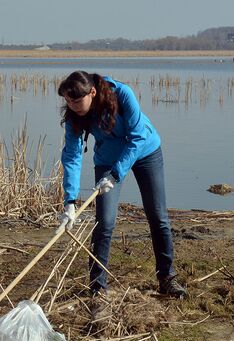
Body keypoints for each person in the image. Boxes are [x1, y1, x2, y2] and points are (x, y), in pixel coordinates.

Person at [56, 70, 187, 299]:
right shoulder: (74, 116)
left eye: (76, 101)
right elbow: (72, 156)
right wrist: (70, 201)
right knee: (104, 222)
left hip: (145, 152)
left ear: (93, 92)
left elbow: (137, 137)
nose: (73, 105)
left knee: (158, 216)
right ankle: (98, 287)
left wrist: (116, 174)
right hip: (107, 159)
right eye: (68, 101)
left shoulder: (122, 94)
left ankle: (167, 278)